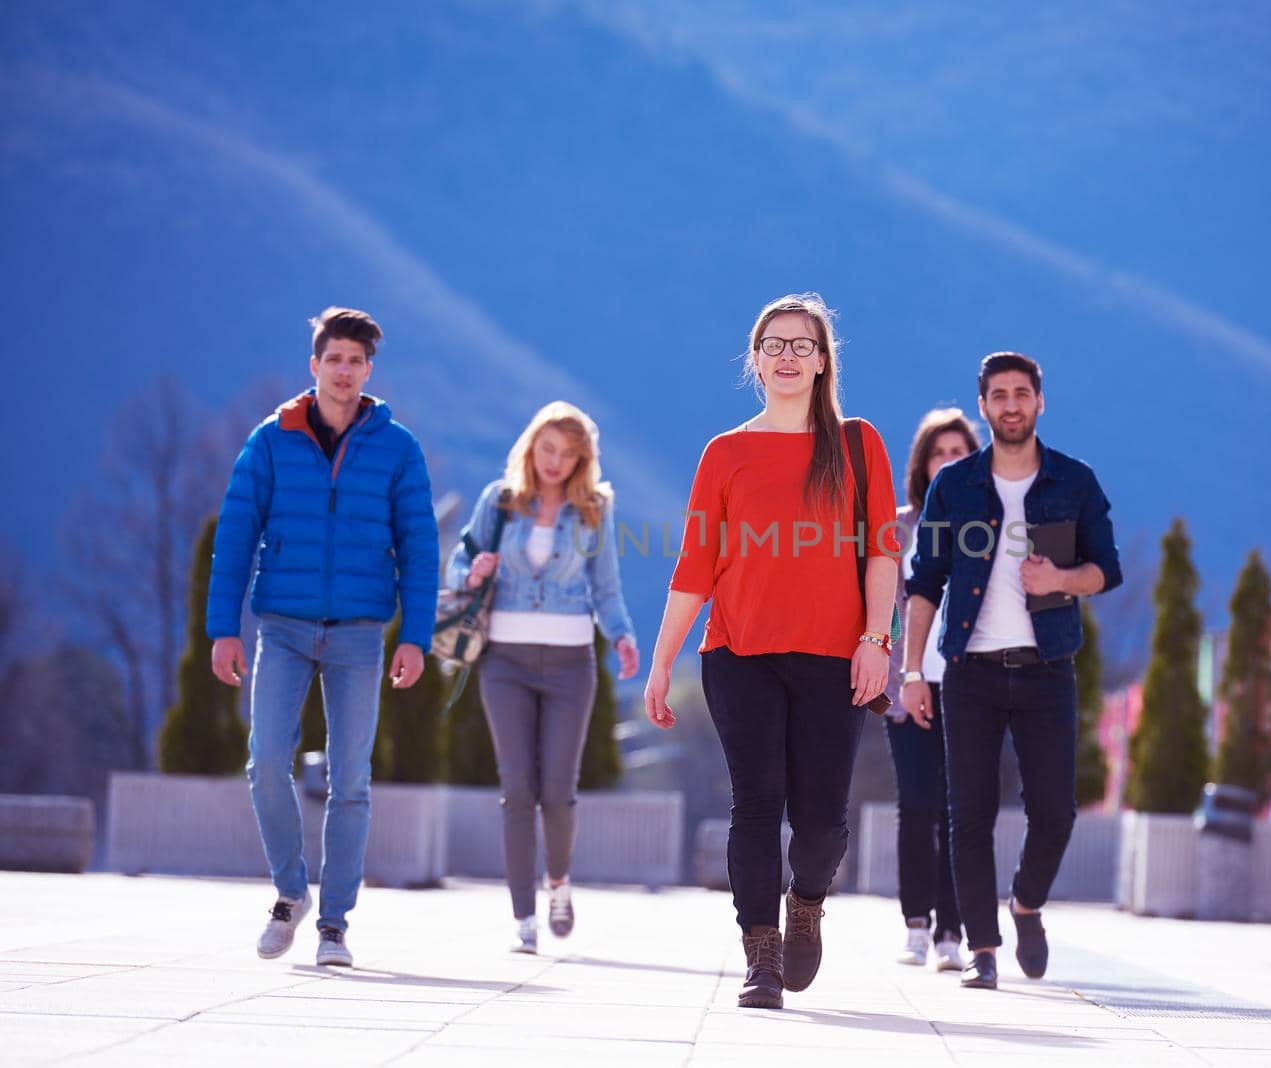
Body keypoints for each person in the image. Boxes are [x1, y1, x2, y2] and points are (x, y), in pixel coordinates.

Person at [642, 293, 898, 1010]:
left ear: (823, 363)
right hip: (739, 654)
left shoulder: (857, 444)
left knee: (821, 820)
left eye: (802, 346)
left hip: (833, 658)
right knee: (756, 804)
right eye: (774, 344)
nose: (788, 356)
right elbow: (695, 567)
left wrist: (876, 640)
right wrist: (663, 663)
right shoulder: (726, 452)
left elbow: (882, 551)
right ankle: (759, 954)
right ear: (754, 359)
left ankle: (807, 901)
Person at [207, 307, 438, 968]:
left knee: (351, 779)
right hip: (280, 627)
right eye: (333, 359)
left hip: (360, 634)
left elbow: (420, 550)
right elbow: (233, 538)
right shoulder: (271, 440)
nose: (344, 371)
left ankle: (334, 924)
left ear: (370, 370)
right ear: (314, 365)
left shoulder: (399, 449)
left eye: (356, 361)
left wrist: (414, 637)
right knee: (265, 762)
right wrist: (223, 629)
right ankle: (289, 893)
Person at [901, 351, 1121, 991]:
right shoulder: (956, 485)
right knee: (967, 815)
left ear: (1039, 402)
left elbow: (1106, 569)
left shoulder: (1074, 483)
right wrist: (913, 670)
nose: (1012, 404)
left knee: (1055, 813)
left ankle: (1025, 904)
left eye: (1022, 393)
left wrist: (1060, 578)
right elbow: (925, 584)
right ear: (984, 406)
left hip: (1046, 668)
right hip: (969, 670)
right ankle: (984, 949)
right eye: (999, 395)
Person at [446, 401, 639, 954]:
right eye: (548, 449)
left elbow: (606, 587)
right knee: (517, 790)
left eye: (568, 454)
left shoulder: (594, 510)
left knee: (557, 791)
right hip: (504, 660)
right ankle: (523, 918)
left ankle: (558, 882)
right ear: (531, 446)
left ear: (582, 460)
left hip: (569, 664)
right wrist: (473, 569)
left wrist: (622, 635)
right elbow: (461, 561)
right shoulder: (501, 501)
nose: (555, 462)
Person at [882, 408, 980, 972]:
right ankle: (915, 925)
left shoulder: (992, 523)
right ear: (923, 464)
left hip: (970, 685)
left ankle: (952, 932)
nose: (949, 461)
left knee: (959, 809)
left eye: (959, 452)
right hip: (908, 683)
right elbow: (880, 605)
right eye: (939, 453)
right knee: (917, 804)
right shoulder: (897, 529)